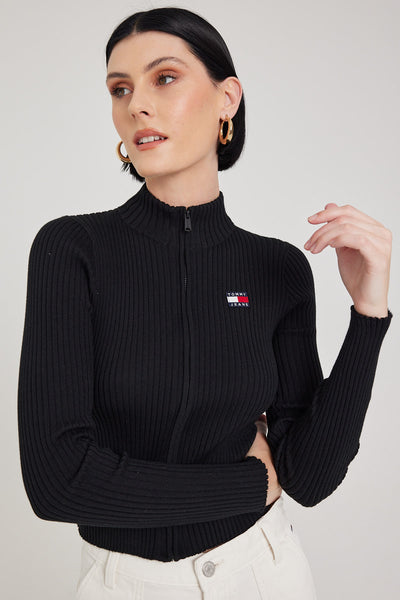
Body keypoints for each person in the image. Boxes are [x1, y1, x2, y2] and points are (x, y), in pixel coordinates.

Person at [17, 6, 392, 600]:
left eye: (164, 78)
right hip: (124, 584)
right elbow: (58, 483)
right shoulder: (72, 249)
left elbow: (311, 476)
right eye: (120, 89)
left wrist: (369, 314)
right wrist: (249, 485)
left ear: (227, 99)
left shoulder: (277, 268)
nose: (137, 105)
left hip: (264, 574)